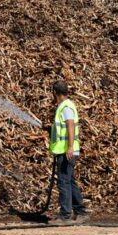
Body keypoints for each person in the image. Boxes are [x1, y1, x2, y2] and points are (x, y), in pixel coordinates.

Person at [49, 81, 88, 223]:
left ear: (55, 93)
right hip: (66, 150)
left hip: (67, 151)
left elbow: (70, 125)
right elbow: (62, 128)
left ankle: (65, 215)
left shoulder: (66, 107)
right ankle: (81, 212)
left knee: (64, 182)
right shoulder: (65, 106)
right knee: (70, 181)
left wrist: (70, 147)